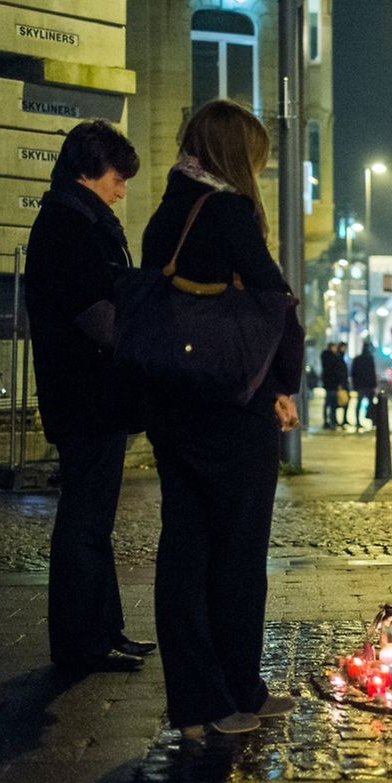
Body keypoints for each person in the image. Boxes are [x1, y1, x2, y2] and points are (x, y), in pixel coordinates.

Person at [140, 99, 303, 736]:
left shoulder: (166, 214)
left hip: (173, 402)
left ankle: (198, 704)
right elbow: (273, 298)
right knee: (237, 552)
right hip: (232, 407)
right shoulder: (229, 211)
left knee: (185, 549)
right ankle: (238, 689)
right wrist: (282, 385)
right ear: (236, 155)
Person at [23, 120, 156, 673]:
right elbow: (96, 313)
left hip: (91, 395)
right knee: (84, 521)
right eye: (117, 177)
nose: (122, 189)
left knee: (94, 519)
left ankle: (103, 632)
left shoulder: (77, 219)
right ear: (89, 170)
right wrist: (141, 339)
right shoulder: (68, 226)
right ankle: (82, 643)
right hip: (86, 396)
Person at [350, 340, 378, 430]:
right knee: (370, 404)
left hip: (361, 385)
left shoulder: (357, 359)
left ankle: (358, 421)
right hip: (368, 385)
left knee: (359, 403)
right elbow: (372, 373)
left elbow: (353, 373)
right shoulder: (369, 359)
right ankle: (373, 421)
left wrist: (355, 385)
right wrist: (374, 385)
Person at [320, 342, 342, 429]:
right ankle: (332, 421)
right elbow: (336, 371)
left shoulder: (326, 357)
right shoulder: (332, 357)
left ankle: (327, 421)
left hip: (329, 384)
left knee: (328, 403)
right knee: (332, 404)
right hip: (332, 384)